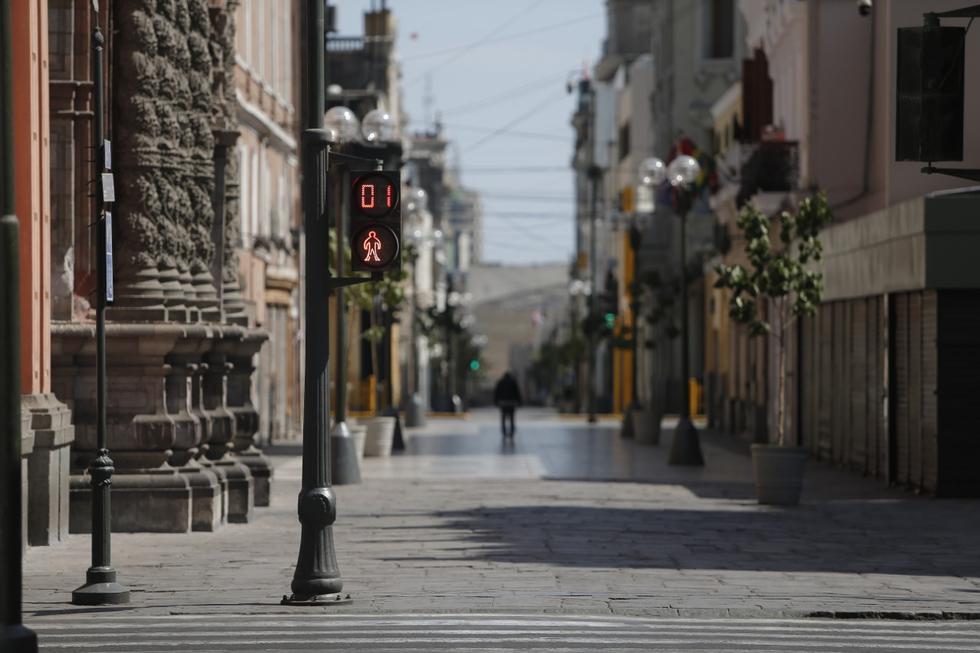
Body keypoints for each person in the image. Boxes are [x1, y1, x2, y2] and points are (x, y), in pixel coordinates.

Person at [493, 371, 523, 439]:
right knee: (512, 418)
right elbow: (517, 392)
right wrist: (520, 402)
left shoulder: (500, 382)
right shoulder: (513, 382)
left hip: (503, 403)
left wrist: (495, 402)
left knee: (503, 418)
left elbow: (497, 392)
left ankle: (504, 432)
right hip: (511, 402)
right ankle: (511, 432)